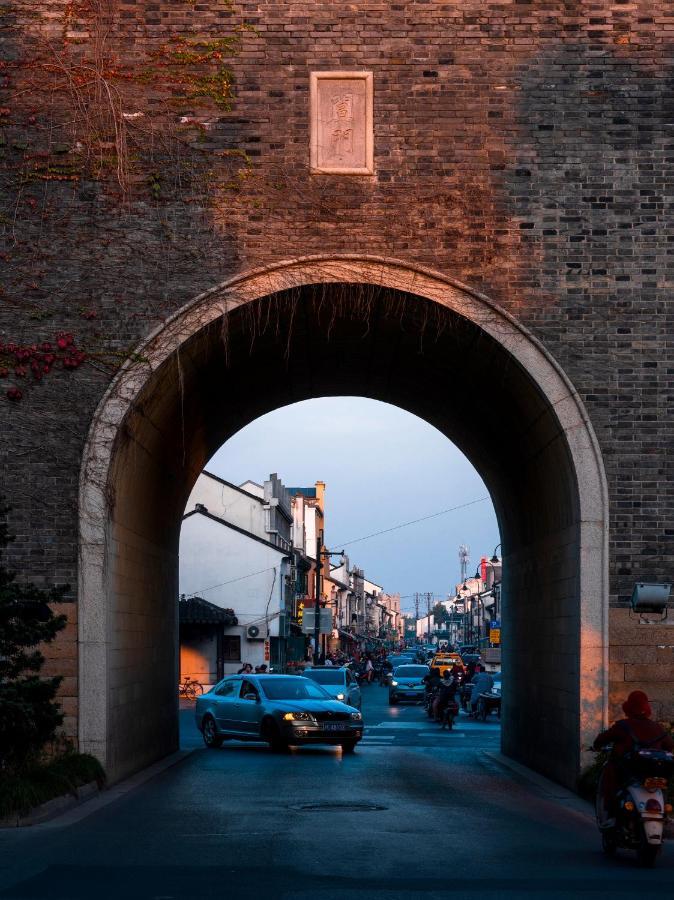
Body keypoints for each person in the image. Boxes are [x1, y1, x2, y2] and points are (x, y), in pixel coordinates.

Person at [593, 690, 674, 827]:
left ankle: (610, 812)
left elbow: (602, 740)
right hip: (652, 773)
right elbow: (670, 745)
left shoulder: (623, 726)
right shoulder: (657, 728)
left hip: (628, 772)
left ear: (629, 709)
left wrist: (597, 746)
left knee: (610, 773)